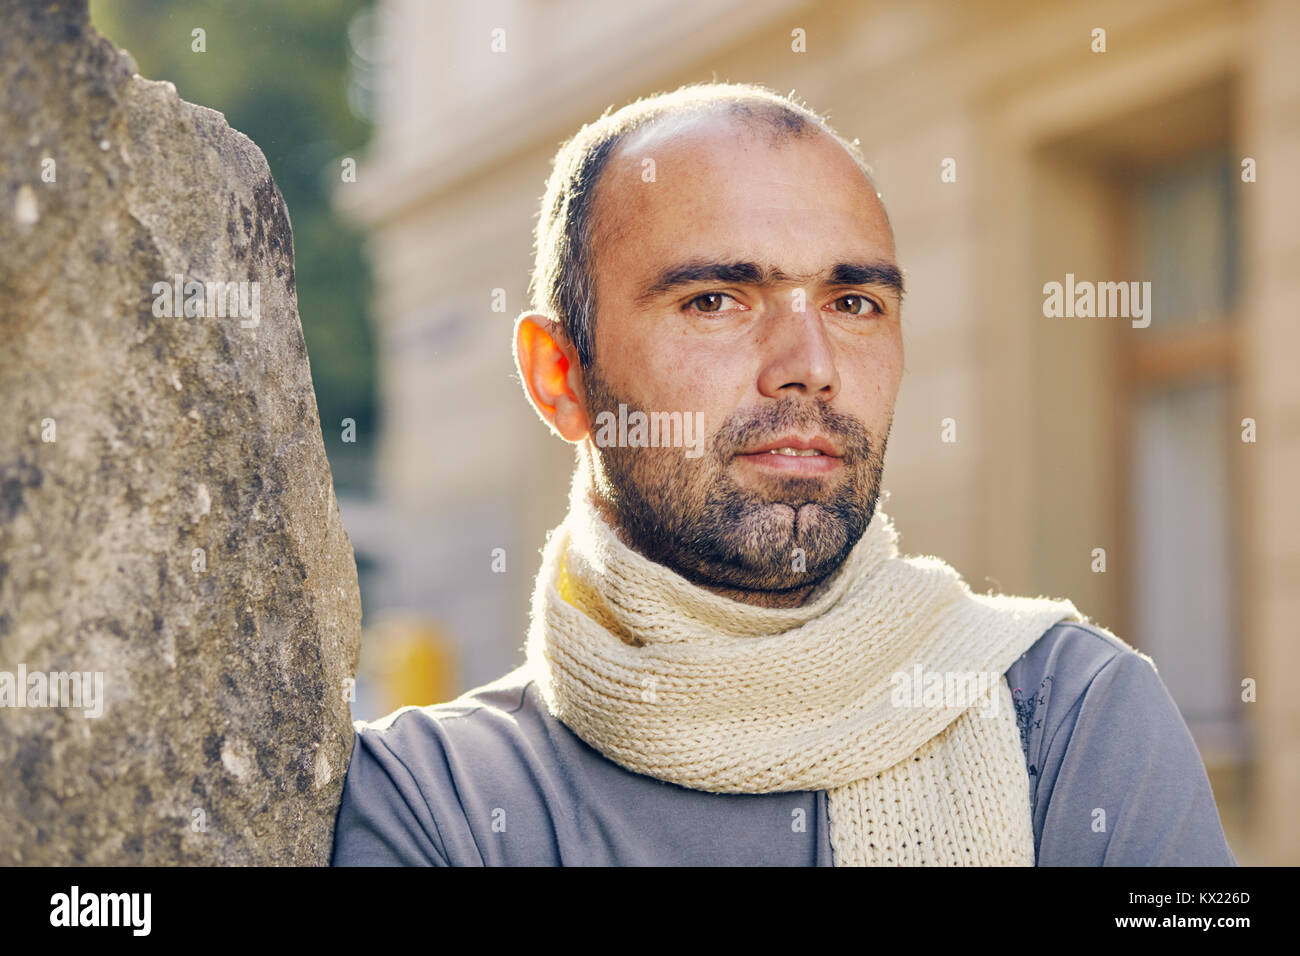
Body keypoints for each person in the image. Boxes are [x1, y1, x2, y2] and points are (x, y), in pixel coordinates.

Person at [330, 82, 1236, 866]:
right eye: (717, 300)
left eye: (853, 302)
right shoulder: (431, 802)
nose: (810, 363)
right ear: (561, 377)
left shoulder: (1078, 718)